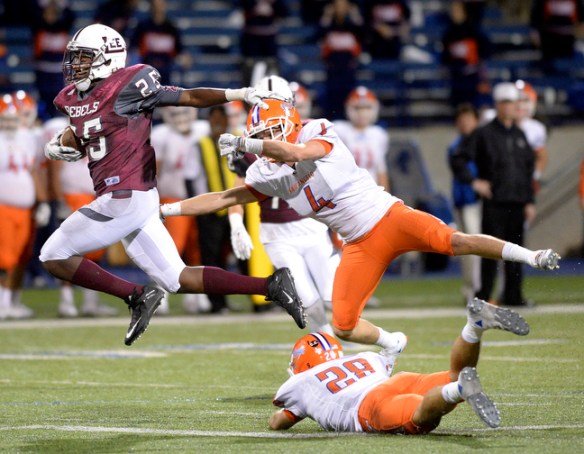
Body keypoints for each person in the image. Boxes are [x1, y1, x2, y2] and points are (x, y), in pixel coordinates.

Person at [161, 97, 561, 350]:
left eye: (269, 132)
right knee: (344, 325)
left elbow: (298, 150)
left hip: (390, 216)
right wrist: (165, 211)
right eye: (259, 134)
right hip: (359, 244)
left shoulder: (316, 130)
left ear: (287, 122)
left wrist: (248, 144)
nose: (266, 141)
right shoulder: (271, 174)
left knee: (456, 240)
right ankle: (392, 343)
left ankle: (531, 255)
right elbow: (223, 198)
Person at [39, 24, 306, 346]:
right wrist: (66, 142)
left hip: (124, 196)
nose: (75, 64)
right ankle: (271, 286)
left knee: (53, 255)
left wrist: (240, 94)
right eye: (75, 57)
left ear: (107, 59)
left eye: (83, 57)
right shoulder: (70, 98)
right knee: (177, 279)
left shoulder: (127, 85)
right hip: (134, 198)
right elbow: (97, 133)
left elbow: (189, 96)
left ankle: (137, 295)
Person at [268, 298, 529, 433]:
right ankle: (473, 328)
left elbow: (277, 423)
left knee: (419, 417)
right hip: (395, 381)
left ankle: (458, 391)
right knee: (454, 374)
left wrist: (291, 412)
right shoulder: (364, 358)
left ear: (304, 362)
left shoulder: (301, 383)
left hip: (368, 407)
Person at [227, 75, 338, 333]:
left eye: (275, 103)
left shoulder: (310, 131)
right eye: (264, 103)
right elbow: (235, 192)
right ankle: (329, 345)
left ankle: (362, 340)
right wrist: (236, 224)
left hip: (311, 225)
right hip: (275, 233)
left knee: (334, 297)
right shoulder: (246, 143)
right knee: (308, 302)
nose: (269, 110)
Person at [450, 83, 540, 308]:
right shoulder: (484, 133)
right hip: (495, 202)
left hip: (517, 202)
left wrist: (529, 200)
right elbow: (459, 158)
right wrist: (474, 182)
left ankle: (513, 295)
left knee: (518, 252)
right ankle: (483, 298)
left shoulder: (520, 134)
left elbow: (527, 170)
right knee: (490, 252)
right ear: (498, 105)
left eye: (514, 103)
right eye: (506, 102)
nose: (511, 107)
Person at [152, 105, 210, 315]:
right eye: (175, 114)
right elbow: (153, 172)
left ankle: (198, 296)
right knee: (172, 247)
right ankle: (160, 294)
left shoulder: (203, 129)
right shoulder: (161, 136)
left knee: (198, 248)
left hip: (200, 199)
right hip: (172, 198)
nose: (181, 118)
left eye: (184, 112)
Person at [0, 93, 47, 319]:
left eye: (12, 119)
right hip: (3, 207)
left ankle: (12, 300)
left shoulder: (27, 138)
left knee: (20, 256)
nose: (9, 124)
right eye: (4, 119)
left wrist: (43, 202)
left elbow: (33, 171)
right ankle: (3, 302)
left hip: (25, 209)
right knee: (3, 257)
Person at [447, 103, 481, 304]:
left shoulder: (482, 141)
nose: (465, 123)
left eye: (468, 119)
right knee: (470, 249)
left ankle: (478, 289)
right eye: (461, 120)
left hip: (482, 201)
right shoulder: (456, 146)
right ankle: (473, 290)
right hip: (466, 200)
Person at [334, 86, 390, 191]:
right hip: (347, 191)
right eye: (357, 108)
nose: (362, 112)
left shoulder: (379, 134)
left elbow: (381, 170)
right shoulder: (339, 130)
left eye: (367, 107)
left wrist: (386, 196)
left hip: (372, 191)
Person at [319, 0, 364, 119]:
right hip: (333, 64)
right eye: (337, 6)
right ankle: (332, 117)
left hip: (349, 64)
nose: (340, 9)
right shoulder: (329, 23)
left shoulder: (352, 24)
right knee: (333, 93)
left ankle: (349, 118)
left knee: (348, 92)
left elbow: (363, 33)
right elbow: (320, 33)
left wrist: (355, 14)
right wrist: (327, 15)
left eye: (343, 6)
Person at [441, 1, 490, 108]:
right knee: (458, 106)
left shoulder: (473, 31)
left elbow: (486, 49)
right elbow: (445, 56)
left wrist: (477, 63)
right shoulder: (448, 34)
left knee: (473, 105)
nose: (454, 13)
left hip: (472, 76)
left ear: (464, 12)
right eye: (452, 11)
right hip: (456, 76)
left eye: (457, 10)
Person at [32, 0, 76, 120]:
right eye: (47, 14)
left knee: (58, 97)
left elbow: (70, 17)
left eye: (53, 14)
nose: (50, 17)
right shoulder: (38, 27)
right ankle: (43, 118)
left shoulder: (64, 26)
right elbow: (34, 13)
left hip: (58, 70)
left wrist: (63, 4)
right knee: (43, 97)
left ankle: (57, 119)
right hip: (42, 69)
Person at [130, 0, 190, 85]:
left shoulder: (171, 27)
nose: (157, 8)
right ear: (151, 7)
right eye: (155, 5)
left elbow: (180, 49)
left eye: (160, 5)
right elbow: (134, 47)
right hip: (147, 66)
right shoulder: (142, 26)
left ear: (164, 6)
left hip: (167, 67)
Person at [530, 0, 584, 72]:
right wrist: (535, 32)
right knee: (548, 69)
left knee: (566, 68)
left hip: (568, 40)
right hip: (548, 40)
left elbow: (580, 15)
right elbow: (536, 15)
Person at [515, 80, 548, 195]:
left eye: (525, 100)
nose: (520, 105)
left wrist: (535, 176)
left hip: (524, 181)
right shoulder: (493, 123)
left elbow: (541, 156)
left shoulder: (536, 128)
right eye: (517, 100)